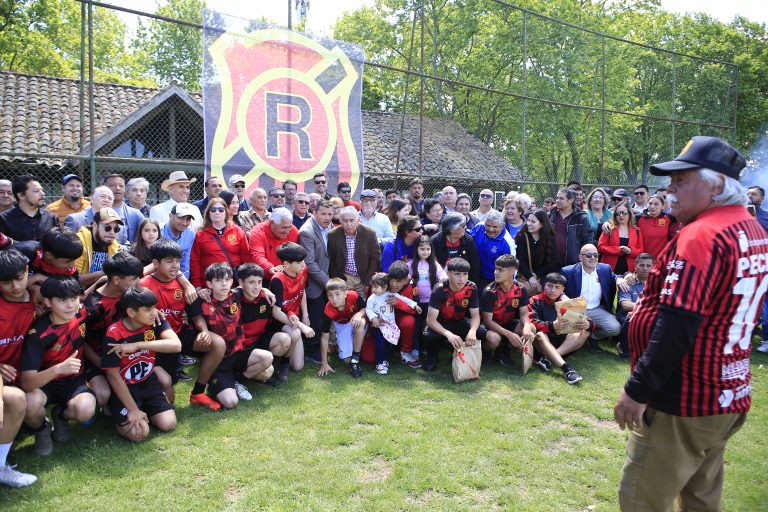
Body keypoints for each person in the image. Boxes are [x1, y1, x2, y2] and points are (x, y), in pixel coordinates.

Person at [613, 136, 767, 511]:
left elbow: (677, 326)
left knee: (641, 502)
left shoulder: (702, 234)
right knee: (700, 499)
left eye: (681, 181)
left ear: (715, 185)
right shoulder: (752, 229)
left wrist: (637, 390)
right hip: (727, 391)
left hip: (683, 399)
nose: (670, 190)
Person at [140, 239, 226, 410]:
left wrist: (204, 330)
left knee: (218, 343)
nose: (175, 266)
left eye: (178, 261)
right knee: (168, 398)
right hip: (154, 340)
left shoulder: (184, 285)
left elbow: (195, 314)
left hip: (178, 333)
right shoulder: (143, 286)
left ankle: (198, 393)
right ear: (155, 263)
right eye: (169, 261)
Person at [20, 277, 97, 451]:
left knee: (86, 409)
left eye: (74, 298)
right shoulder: (38, 333)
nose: (70, 305)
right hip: (44, 384)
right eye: (62, 300)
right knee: (29, 403)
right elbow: (26, 382)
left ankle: (61, 416)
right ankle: (42, 428)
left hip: (74, 381)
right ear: (48, 302)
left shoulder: (82, 313)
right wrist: (59, 368)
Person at [102, 285, 180, 441]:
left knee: (169, 424)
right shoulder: (113, 333)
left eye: (154, 307)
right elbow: (112, 375)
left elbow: (176, 345)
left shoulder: (155, 321)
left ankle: (146, 408)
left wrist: (138, 345)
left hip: (148, 381)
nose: (154, 312)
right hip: (125, 387)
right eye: (148, 309)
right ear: (131, 312)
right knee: (140, 434)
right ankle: (120, 411)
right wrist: (132, 410)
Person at [200, 263, 274, 409]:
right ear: (209, 284)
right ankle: (216, 383)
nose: (224, 284)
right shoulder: (202, 301)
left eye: (227, 280)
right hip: (218, 361)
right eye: (218, 280)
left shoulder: (235, 295)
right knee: (230, 402)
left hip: (238, 353)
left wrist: (265, 290)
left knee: (267, 359)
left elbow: (250, 286)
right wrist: (200, 292)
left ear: (232, 281)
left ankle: (238, 381)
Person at [0, 249, 47, 473]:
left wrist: (39, 282)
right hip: (4, 380)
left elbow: (71, 292)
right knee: (14, 400)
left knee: (33, 404)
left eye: (19, 278)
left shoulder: (42, 300)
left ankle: (41, 428)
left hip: (29, 376)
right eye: (6, 282)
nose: (15, 286)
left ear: (27, 271)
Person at [82, 252, 145, 411]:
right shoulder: (92, 307)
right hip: (97, 358)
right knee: (102, 394)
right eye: (134, 279)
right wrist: (100, 362)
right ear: (116, 280)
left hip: (124, 353)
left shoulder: (127, 294)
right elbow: (80, 341)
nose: (139, 282)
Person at [422, 257, 486, 373]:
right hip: (440, 323)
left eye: (465, 274)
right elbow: (430, 321)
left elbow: (476, 316)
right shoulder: (439, 289)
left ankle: (461, 353)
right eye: (457, 274)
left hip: (459, 321)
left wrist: (472, 331)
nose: (462, 279)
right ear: (448, 273)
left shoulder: (472, 287)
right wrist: (449, 334)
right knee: (430, 335)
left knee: (480, 331)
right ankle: (432, 356)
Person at [235, 263, 289, 388]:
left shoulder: (267, 297)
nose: (257, 287)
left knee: (284, 339)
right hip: (240, 349)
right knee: (266, 372)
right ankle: (239, 380)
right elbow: (222, 293)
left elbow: (282, 311)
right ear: (241, 282)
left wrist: (265, 290)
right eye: (252, 282)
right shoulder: (233, 299)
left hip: (257, 342)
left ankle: (265, 370)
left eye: (259, 282)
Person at [562, 243, 625, 348]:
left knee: (615, 329)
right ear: (580, 257)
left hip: (596, 309)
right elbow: (559, 289)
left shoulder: (605, 269)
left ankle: (591, 336)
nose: (593, 257)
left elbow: (615, 276)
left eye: (595, 255)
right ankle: (580, 335)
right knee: (568, 333)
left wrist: (620, 279)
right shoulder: (568, 271)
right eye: (588, 255)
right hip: (575, 308)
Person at [527, 273, 587, 384]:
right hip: (543, 341)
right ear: (544, 285)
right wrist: (551, 325)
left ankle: (549, 358)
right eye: (549, 286)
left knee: (584, 332)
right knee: (540, 334)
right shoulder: (534, 300)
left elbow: (589, 321)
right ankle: (566, 369)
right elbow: (531, 322)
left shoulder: (567, 302)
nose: (552, 290)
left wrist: (588, 324)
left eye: (557, 287)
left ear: (563, 289)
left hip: (564, 343)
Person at [269, 242, 315, 380]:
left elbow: (302, 291)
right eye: (299, 262)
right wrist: (301, 326)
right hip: (280, 322)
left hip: (294, 319)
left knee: (298, 367)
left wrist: (305, 315)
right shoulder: (277, 279)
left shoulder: (302, 271)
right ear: (286, 264)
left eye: (304, 261)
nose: (303, 265)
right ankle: (282, 363)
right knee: (295, 332)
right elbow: (276, 312)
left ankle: (286, 358)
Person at [481, 255, 535, 368]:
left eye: (501, 270)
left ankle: (504, 349)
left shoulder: (521, 289)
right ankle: (486, 353)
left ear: (512, 271)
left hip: (507, 324)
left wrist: (526, 326)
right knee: (494, 339)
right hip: (490, 327)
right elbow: (487, 322)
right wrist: (509, 334)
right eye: (496, 269)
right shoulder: (489, 291)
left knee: (531, 328)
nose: (496, 272)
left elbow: (524, 313)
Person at [298, 199, 333, 363]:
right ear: (314, 213)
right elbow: (310, 264)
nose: (327, 217)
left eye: (330, 214)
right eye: (323, 214)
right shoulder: (307, 231)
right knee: (316, 319)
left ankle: (322, 347)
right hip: (314, 285)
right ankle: (312, 351)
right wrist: (329, 284)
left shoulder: (330, 227)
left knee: (325, 317)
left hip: (328, 281)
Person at [190, 197, 251, 289]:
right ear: (208, 213)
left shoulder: (237, 231)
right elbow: (195, 261)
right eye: (213, 210)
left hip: (233, 283)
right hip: (209, 284)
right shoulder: (200, 234)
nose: (217, 212)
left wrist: (247, 281)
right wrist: (197, 284)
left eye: (221, 210)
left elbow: (246, 258)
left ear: (226, 212)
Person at [365, 272, 419, 375]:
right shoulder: (372, 298)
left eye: (376, 287)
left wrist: (414, 305)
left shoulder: (390, 294)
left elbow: (404, 299)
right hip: (379, 325)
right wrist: (373, 318)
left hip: (390, 325)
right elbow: (368, 309)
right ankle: (379, 363)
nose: (373, 290)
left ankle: (385, 361)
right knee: (380, 344)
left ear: (385, 287)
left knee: (387, 344)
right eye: (372, 287)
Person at [318, 278, 367, 378]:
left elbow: (365, 308)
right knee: (346, 360)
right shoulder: (328, 310)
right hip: (342, 325)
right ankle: (352, 353)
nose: (334, 299)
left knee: (360, 323)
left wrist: (359, 314)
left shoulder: (353, 295)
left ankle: (355, 359)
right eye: (330, 295)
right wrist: (324, 363)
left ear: (345, 294)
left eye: (337, 294)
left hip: (356, 321)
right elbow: (324, 337)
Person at [0, 174, 59, 253]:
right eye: (36, 191)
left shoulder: (51, 217)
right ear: (21, 195)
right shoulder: (4, 219)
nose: (42, 193)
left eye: (42, 190)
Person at [328, 207, 381, 295]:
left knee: (362, 302)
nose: (349, 224)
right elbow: (331, 261)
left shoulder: (370, 233)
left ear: (358, 220)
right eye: (345, 221)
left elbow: (375, 259)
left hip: (363, 277)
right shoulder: (333, 235)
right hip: (344, 277)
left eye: (352, 220)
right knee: (344, 302)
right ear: (340, 221)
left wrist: (368, 281)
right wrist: (338, 280)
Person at [407, 235, 447, 338]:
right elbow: (405, 278)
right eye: (422, 249)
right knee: (416, 326)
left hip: (431, 302)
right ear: (416, 249)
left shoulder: (434, 264)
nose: (425, 252)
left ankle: (428, 345)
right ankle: (416, 345)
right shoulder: (410, 264)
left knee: (428, 326)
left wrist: (441, 282)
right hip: (415, 302)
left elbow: (443, 277)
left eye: (428, 249)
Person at [74, 207, 124, 288]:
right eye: (107, 228)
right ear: (95, 225)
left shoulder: (114, 244)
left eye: (116, 229)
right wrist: (105, 272)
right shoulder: (78, 242)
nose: (112, 232)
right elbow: (74, 279)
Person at [514, 210, 560, 297]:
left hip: (544, 277)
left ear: (542, 224)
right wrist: (530, 277)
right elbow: (520, 261)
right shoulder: (522, 237)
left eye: (533, 221)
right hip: (525, 277)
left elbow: (552, 263)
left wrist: (536, 275)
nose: (529, 223)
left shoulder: (550, 239)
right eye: (528, 220)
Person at [615, 252, 652, 358]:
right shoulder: (627, 282)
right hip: (628, 320)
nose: (645, 268)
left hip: (649, 319)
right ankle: (624, 348)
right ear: (635, 266)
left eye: (648, 266)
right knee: (633, 314)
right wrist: (649, 308)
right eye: (642, 265)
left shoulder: (657, 284)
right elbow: (626, 305)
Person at [386, 261, 422, 368]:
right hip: (382, 318)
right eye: (391, 280)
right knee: (369, 357)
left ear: (406, 280)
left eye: (398, 281)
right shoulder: (381, 281)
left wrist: (399, 303)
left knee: (409, 321)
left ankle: (405, 351)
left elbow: (416, 309)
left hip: (401, 316)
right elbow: (370, 304)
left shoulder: (412, 285)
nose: (394, 284)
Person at [248, 207, 300, 281]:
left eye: (289, 227)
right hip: (264, 277)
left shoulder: (293, 231)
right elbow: (258, 256)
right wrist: (271, 268)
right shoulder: (257, 232)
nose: (287, 231)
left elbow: (298, 255)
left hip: (288, 277)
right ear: (272, 223)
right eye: (284, 227)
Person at [470, 209, 515, 291]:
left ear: (502, 226)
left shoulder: (508, 243)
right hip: (475, 275)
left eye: (495, 227)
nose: (491, 229)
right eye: (488, 225)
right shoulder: (479, 227)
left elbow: (511, 266)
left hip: (494, 280)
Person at [431, 212, 480, 285]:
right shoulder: (435, 241)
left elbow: (475, 265)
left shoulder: (468, 240)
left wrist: (470, 284)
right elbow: (432, 265)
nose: (466, 227)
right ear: (452, 229)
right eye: (463, 226)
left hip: (464, 282)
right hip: (442, 282)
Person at [549, 187, 594, 266]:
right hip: (551, 262)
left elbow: (587, 241)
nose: (557, 200)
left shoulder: (581, 218)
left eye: (561, 198)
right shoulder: (551, 216)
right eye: (557, 198)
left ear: (571, 200)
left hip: (573, 264)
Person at [597, 203, 644, 274]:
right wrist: (618, 250)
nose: (621, 215)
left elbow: (641, 250)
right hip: (609, 270)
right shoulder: (609, 228)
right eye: (618, 213)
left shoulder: (637, 230)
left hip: (630, 272)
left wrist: (630, 251)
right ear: (615, 215)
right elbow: (600, 247)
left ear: (629, 214)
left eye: (624, 213)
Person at [101, 174, 145, 246]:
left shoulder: (135, 214)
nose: (117, 188)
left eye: (121, 186)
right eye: (112, 185)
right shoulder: (95, 212)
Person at [635, 194, 679, 259]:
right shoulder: (638, 218)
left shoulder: (669, 218)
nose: (652, 206)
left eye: (656, 204)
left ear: (663, 206)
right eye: (650, 203)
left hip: (661, 259)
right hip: (643, 260)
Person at [161, 203, 197, 279]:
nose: (184, 223)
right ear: (170, 216)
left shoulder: (190, 233)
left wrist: (184, 282)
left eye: (188, 219)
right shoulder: (158, 231)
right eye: (180, 218)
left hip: (179, 277)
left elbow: (185, 262)